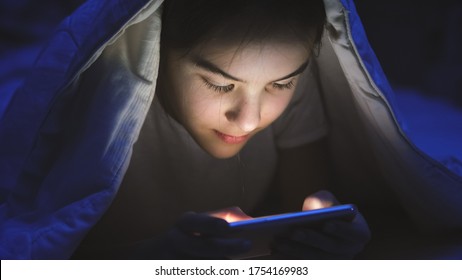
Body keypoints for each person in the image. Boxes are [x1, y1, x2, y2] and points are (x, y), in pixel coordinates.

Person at [0, 0, 374, 260]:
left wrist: (333, 236)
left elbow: (304, 211)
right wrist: (148, 261)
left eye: (281, 84)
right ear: (157, 49)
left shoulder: (289, 82)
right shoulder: (99, 109)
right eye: (220, 85)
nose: (249, 119)